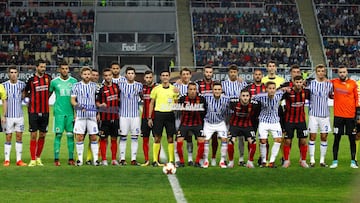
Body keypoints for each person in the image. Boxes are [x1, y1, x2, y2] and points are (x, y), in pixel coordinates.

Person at [148, 70, 179, 167]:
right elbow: (152, 103)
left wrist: (177, 97)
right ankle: (155, 160)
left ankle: (171, 160)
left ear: (169, 77)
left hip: (170, 115)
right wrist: (149, 117)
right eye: (163, 75)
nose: (165, 77)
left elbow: (176, 104)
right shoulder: (156, 89)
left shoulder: (174, 89)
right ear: (160, 77)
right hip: (159, 115)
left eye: (167, 75)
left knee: (170, 138)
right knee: (157, 137)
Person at [49, 61, 77, 166]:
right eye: (63, 68)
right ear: (59, 70)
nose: (65, 70)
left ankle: (71, 159)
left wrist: (76, 113)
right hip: (59, 113)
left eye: (66, 68)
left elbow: (76, 98)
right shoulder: (54, 82)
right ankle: (56, 159)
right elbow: (48, 94)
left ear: (68, 69)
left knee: (70, 136)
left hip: (70, 113)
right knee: (58, 135)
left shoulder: (74, 81)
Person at [330, 65, 358, 168]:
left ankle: (353, 161)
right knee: (337, 139)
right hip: (338, 116)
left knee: (352, 139)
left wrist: (357, 115)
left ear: (347, 73)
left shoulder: (353, 84)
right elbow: (323, 83)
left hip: (350, 117)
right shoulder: (333, 82)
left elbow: (356, 99)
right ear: (338, 73)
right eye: (340, 72)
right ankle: (335, 161)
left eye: (344, 72)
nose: (342, 74)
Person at [253, 81, 286, 168]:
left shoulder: (279, 94)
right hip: (263, 121)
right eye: (270, 88)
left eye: (273, 88)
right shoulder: (260, 96)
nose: (272, 90)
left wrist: (286, 88)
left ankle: (271, 161)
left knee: (278, 140)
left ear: (275, 89)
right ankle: (263, 161)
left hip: (275, 121)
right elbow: (251, 98)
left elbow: (287, 89)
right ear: (266, 89)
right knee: (263, 141)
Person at [25, 59, 52, 166]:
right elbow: (25, 92)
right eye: (41, 67)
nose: (43, 69)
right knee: (33, 135)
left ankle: (38, 157)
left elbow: (51, 91)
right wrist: (28, 101)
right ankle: (32, 159)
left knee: (42, 135)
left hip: (45, 111)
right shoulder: (31, 79)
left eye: (44, 67)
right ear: (37, 67)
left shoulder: (48, 78)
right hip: (33, 111)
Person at [71, 66, 99, 166]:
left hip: (92, 116)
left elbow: (98, 101)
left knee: (94, 137)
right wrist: (78, 106)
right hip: (80, 116)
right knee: (79, 136)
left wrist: (98, 112)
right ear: (81, 75)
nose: (87, 76)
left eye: (88, 74)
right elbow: (73, 100)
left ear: (91, 75)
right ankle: (79, 160)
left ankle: (95, 160)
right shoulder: (76, 86)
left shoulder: (95, 86)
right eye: (85, 74)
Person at [307, 64, 333, 167]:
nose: (321, 73)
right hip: (313, 115)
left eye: (322, 71)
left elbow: (332, 95)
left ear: (325, 72)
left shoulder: (329, 84)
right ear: (316, 72)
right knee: (312, 137)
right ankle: (312, 160)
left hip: (325, 115)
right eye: (319, 71)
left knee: (324, 137)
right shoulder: (311, 84)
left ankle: (322, 161)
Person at [281, 75, 310, 168]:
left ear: (302, 82)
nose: (298, 84)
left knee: (303, 141)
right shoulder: (288, 92)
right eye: (297, 82)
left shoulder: (306, 92)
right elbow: (277, 93)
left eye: (300, 82)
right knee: (287, 141)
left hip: (301, 120)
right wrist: (283, 89)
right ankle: (286, 160)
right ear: (293, 82)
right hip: (289, 121)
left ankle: (303, 160)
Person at [176, 82, 207, 168]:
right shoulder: (182, 98)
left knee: (201, 141)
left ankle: (197, 162)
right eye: (191, 89)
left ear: (196, 90)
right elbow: (178, 109)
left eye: (194, 89)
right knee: (179, 141)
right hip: (185, 123)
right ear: (187, 90)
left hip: (197, 123)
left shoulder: (201, 99)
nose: (193, 91)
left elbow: (204, 112)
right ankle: (181, 162)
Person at [221, 64, 247, 166]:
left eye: (234, 72)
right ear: (228, 73)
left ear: (237, 73)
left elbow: (246, 97)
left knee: (240, 137)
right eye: (231, 72)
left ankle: (241, 159)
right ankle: (227, 158)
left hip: (239, 114)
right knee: (227, 137)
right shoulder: (223, 84)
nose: (233, 74)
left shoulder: (242, 83)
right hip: (227, 114)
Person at [228, 89, 260, 168]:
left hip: (247, 125)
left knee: (253, 142)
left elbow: (256, 115)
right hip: (235, 124)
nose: (245, 98)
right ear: (240, 97)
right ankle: (231, 161)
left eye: (247, 96)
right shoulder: (233, 103)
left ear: (250, 97)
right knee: (231, 142)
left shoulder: (254, 104)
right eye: (243, 96)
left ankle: (250, 161)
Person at [118, 67, 143, 166]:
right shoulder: (120, 85)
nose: (130, 75)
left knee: (135, 137)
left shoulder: (139, 85)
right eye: (129, 73)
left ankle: (133, 159)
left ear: (135, 75)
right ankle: (122, 159)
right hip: (123, 116)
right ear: (126, 75)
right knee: (123, 137)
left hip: (135, 116)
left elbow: (142, 97)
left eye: (132, 73)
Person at [202, 82, 231, 168]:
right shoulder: (206, 97)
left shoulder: (226, 99)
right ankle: (206, 160)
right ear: (212, 90)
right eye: (215, 89)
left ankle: (222, 160)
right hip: (208, 122)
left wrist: (227, 123)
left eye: (219, 89)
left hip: (220, 122)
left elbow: (228, 112)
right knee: (206, 140)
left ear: (222, 90)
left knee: (224, 140)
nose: (217, 91)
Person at [96, 68, 120, 166]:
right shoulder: (101, 89)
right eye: (106, 75)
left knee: (114, 139)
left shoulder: (116, 87)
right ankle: (104, 159)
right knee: (103, 139)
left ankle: (114, 159)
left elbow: (119, 99)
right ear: (103, 77)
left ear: (111, 76)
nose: (108, 77)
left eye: (109, 75)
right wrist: (100, 105)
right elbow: (97, 102)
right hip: (104, 118)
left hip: (115, 117)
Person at [3, 66, 26, 166]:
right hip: (8, 116)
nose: (13, 74)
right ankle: (7, 160)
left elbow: (24, 96)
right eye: (11, 72)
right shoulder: (3, 86)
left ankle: (18, 160)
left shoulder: (22, 85)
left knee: (19, 137)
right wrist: (3, 115)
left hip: (19, 116)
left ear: (18, 74)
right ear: (8, 74)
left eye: (15, 72)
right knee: (8, 137)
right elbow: (4, 100)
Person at [196, 65, 219, 166]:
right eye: (207, 72)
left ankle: (213, 158)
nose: (208, 74)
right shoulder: (198, 84)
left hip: (214, 115)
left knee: (214, 137)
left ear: (212, 73)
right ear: (204, 73)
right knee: (202, 138)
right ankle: (203, 158)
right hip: (202, 115)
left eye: (210, 72)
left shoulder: (216, 84)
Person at [174, 67, 194, 166]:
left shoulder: (194, 86)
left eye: (187, 74)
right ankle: (177, 158)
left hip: (190, 117)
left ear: (190, 75)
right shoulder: (175, 85)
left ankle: (190, 159)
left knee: (189, 137)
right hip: (178, 116)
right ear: (180, 76)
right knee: (178, 137)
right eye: (183, 74)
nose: (185, 76)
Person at [140, 70, 156, 166]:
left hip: (156, 118)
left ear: (153, 77)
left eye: (150, 77)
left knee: (156, 139)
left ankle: (156, 159)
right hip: (144, 117)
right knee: (145, 139)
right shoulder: (142, 88)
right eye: (147, 77)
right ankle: (146, 160)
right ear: (144, 78)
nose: (148, 79)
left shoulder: (157, 88)